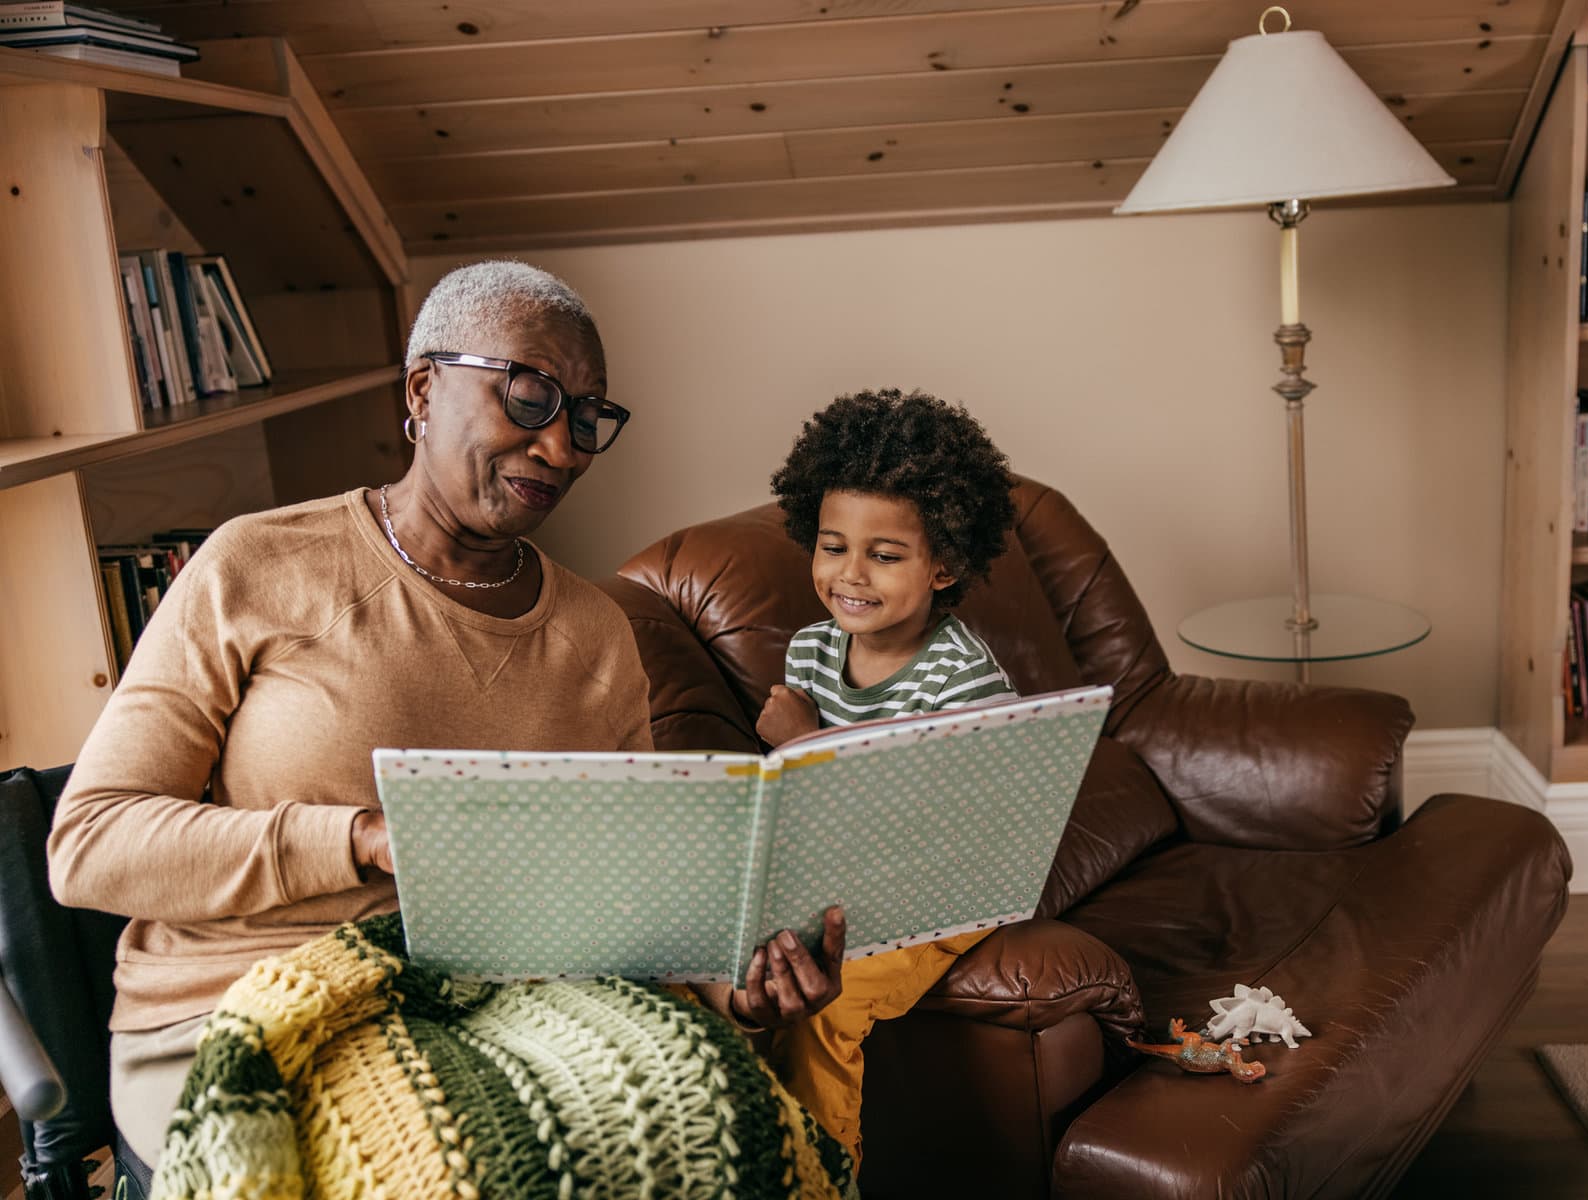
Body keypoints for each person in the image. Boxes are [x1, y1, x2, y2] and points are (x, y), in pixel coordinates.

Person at [47, 260, 844, 1189]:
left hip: (509, 1006)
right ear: (423, 389)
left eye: (587, 417)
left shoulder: (596, 633)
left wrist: (739, 997)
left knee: (723, 1118)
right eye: (531, 396)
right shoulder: (255, 565)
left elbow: (626, 911)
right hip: (240, 1007)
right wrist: (362, 840)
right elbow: (89, 843)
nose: (563, 448)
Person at [755, 387, 1019, 1165]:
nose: (851, 575)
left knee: (822, 1012)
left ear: (943, 566)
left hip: (945, 887)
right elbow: (809, 808)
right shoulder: (809, 652)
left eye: (885, 554)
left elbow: (922, 830)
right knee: (753, 978)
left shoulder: (963, 682)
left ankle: (821, 1179)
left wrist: (803, 743)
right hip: (844, 874)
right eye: (833, 546)